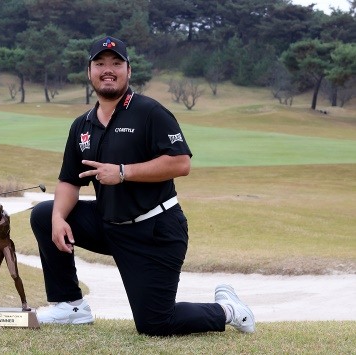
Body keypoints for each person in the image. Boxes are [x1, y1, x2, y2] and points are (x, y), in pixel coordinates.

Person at [30, 36, 255, 335]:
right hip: (109, 224)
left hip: (154, 230)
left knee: (156, 323)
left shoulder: (150, 112)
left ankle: (229, 310)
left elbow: (181, 163)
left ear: (128, 71)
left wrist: (123, 172)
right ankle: (71, 306)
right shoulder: (82, 125)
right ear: (89, 72)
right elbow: (69, 180)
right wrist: (59, 218)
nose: (107, 70)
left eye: (116, 64)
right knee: (45, 215)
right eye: (100, 64)